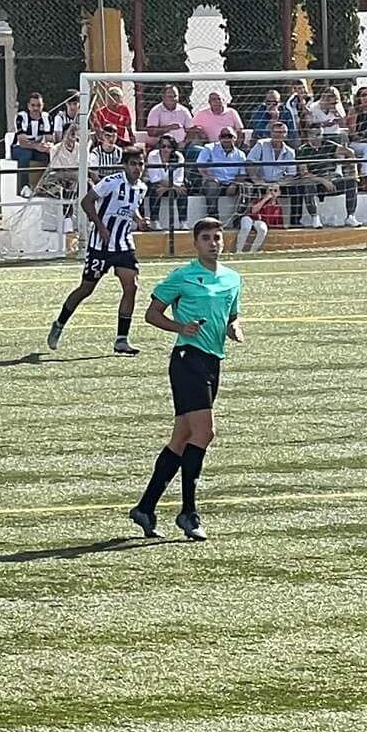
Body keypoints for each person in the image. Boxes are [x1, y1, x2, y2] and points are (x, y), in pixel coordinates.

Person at [131, 218, 242, 543]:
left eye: (217, 238)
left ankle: (146, 508)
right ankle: (188, 512)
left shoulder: (233, 279)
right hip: (187, 359)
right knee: (205, 432)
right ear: (196, 243)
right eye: (206, 238)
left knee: (182, 438)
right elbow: (152, 314)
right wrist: (181, 328)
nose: (212, 243)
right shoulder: (182, 276)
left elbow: (231, 315)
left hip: (213, 361)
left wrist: (234, 328)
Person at [48, 146, 149, 356]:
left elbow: (131, 207)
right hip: (99, 246)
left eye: (140, 164)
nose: (137, 168)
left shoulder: (141, 188)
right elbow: (86, 201)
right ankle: (59, 323)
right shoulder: (112, 182)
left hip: (123, 244)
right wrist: (101, 227)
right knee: (86, 289)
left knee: (131, 286)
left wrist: (138, 219)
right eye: (133, 164)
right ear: (125, 165)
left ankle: (121, 339)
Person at [292, 124, 358, 227]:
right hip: (316, 182)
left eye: (320, 134)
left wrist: (354, 171)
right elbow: (304, 174)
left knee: (352, 182)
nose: (317, 137)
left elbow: (351, 153)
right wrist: (322, 180)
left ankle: (350, 216)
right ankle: (315, 218)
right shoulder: (302, 150)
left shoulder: (329, 145)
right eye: (314, 135)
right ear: (309, 135)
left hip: (332, 180)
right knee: (308, 184)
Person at [193, 126, 248, 222]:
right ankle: (213, 218)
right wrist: (209, 177)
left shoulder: (241, 155)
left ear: (235, 138)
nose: (226, 139)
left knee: (247, 187)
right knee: (212, 185)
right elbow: (201, 166)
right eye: (223, 136)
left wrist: (234, 184)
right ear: (219, 137)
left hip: (231, 184)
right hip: (213, 181)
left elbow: (242, 174)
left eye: (229, 136)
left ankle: (239, 218)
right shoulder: (209, 148)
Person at [12, 92, 59, 182]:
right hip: (19, 148)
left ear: (43, 105)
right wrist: (37, 146)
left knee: (50, 155)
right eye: (33, 105)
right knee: (26, 154)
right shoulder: (21, 117)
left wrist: (48, 146)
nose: (36, 108)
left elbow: (50, 138)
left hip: (36, 149)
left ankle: (49, 185)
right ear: (28, 106)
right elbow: (22, 142)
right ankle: (24, 186)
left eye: (38, 105)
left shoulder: (46, 117)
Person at [144, 134, 185, 228]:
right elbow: (154, 178)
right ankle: (155, 221)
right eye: (163, 146)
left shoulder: (179, 157)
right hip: (154, 183)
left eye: (169, 147)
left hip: (173, 184)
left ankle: (183, 221)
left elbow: (179, 178)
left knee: (183, 191)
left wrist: (169, 187)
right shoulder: (152, 155)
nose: (165, 149)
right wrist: (171, 186)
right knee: (155, 189)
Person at [144, 84, 194, 149]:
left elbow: (191, 131)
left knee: (196, 150)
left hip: (182, 146)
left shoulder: (184, 111)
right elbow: (151, 132)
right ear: (163, 97)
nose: (173, 99)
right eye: (170, 96)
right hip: (162, 146)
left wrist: (184, 143)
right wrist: (169, 127)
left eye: (175, 96)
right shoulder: (156, 111)